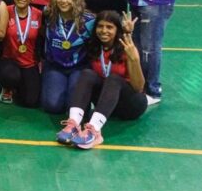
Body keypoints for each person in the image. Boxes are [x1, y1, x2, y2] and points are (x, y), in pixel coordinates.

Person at [56, 10, 146, 149]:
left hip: (130, 103)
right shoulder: (94, 47)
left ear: (117, 30)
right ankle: (74, 124)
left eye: (109, 27)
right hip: (106, 104)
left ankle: (95, 132)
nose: (104, 31)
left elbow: (139, 88)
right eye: (100, 26)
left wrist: (134, 59)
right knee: (87, 74)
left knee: (114, 79)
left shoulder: (127, 48)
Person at [40, 0, 96, 114]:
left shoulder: (89, 21)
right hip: (55, 67)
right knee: (52, 106)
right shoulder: (48, 16)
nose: (63, 1)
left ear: (76, 0)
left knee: (74, 108)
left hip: (79, 68)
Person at [0, 0, 42, 107]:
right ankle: (7, 87)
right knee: (10, 76)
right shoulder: (5, 10)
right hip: (8, 60)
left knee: (30, 101)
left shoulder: (39, 15)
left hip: (29, 63)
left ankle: (19, 85)